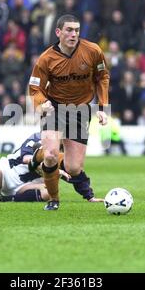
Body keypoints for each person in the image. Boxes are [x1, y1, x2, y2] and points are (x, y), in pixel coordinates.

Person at [28, 14, 109, 210]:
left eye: (77, 30)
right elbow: (35, 87)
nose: (74, 34)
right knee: (51, 156)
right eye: (69, 30)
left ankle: (36, 156)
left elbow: (102, 77)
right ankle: (53, 199)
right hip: (55, 107)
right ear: (59, 32)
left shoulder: (93, 51)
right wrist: (41, 103)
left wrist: (102, 107)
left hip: (80, 110)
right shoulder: (46, 58)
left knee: (73, 168)